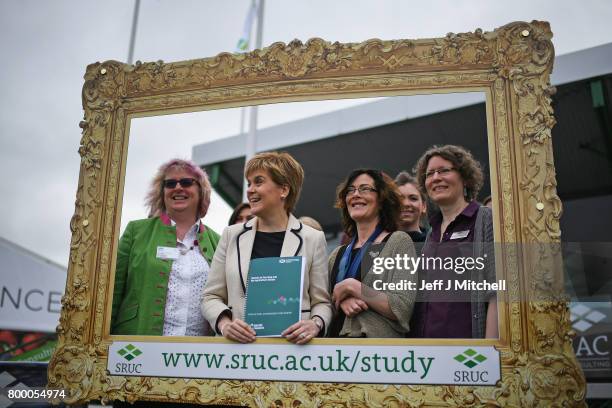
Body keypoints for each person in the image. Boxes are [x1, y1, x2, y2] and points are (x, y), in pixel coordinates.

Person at [202, 152, 332, 344]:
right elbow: (210, 296)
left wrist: (315, 324)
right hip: (238, 353)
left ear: (284, 190)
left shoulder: (313, 238)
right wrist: (225, 324)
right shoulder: (231, 235)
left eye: (258, 182)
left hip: (292, 353)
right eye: (249, 183)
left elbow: (322, 302)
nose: (250, 190)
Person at [111, 159, 220, 336]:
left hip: (197, 354)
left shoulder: (218, 241)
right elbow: (112, 292)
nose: (178, 187)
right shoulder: (136, 231)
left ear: (201, 192)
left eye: (186, 182)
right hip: (136, 349)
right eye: (170, 184)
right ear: (162, 193)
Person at [413, 145, 497, 338]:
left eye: (444, 170)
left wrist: (489, 352)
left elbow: (498, 293)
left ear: (465, 177)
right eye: (429, 174)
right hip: (429, 353)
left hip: (469, 356)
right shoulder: (430, 233)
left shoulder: (485, 219)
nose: (435, 178)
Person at [327, 169, 417, 338]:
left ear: (382, 200)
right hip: (334, 356)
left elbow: (402, 307)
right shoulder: (336, 255)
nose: (356, 195)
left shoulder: (399, 242)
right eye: (350, 190)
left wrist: (353, 287)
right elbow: (324, 304)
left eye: (365, 189)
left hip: (378, 357)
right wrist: (343, 300)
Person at [394, 171, 427, 244]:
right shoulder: (378, 244)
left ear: (424, 206)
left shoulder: (436, 244)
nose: (406, 204)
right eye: (399, 199)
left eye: (413, 198)